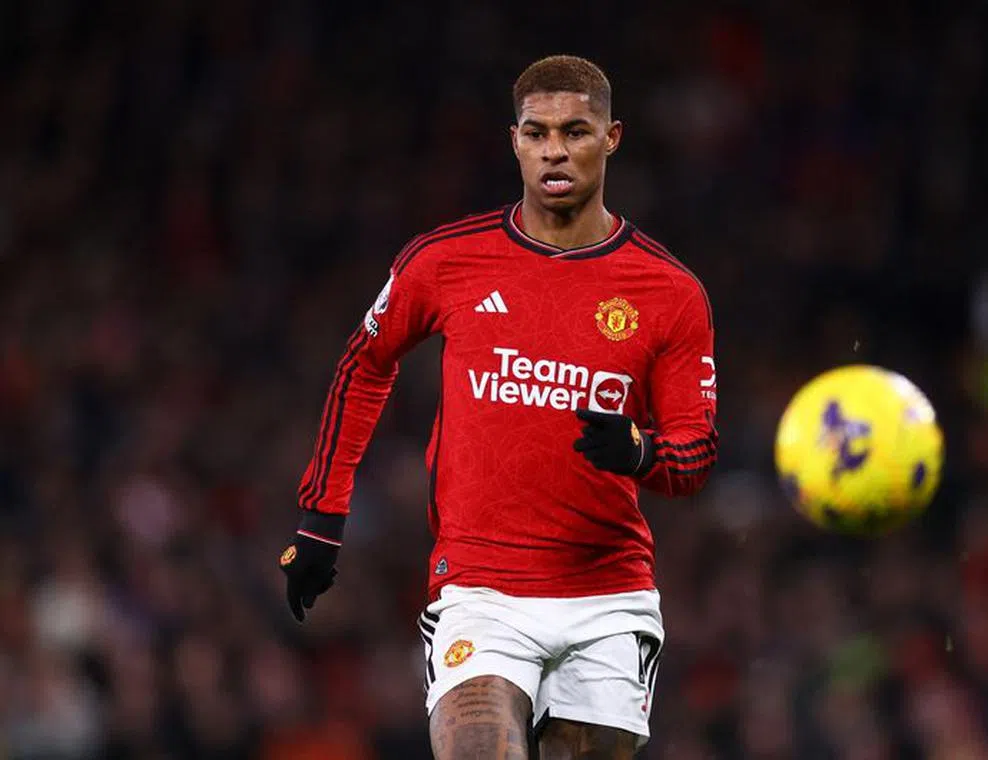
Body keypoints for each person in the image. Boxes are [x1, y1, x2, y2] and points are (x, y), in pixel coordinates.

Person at [278, 55, 718, 759]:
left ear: (611, 138)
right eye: (537, 132)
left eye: (575, 131)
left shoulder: (669, 292)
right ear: (514, 140)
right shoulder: (446, 260)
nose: (554, 149)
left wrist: (642, 451)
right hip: (481, 593)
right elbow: (365, 364)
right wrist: (323, 517)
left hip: (607, 597)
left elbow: (696, 454)